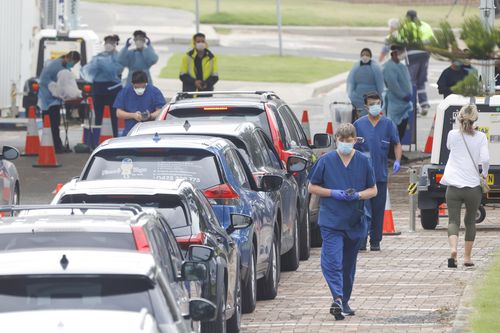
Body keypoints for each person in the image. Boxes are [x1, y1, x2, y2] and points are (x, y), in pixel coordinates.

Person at [308, 123, 377, 320]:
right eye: (341, 140)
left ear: (355, 141)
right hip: (331, 221)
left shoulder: (363, 162)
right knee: (332, 260)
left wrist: (358, 195)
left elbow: (373, 190)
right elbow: (312, 187)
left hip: (354, 221)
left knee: (348, 264)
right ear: (336, 140)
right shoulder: (326, 161)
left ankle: (344, 301)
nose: (345, 144)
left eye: (349, 141)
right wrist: (333, 193)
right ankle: (337, 298)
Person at [440, 105, 489, 268]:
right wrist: (484, 174)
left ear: (459, 117)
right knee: (470, 222)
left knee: (453, 220)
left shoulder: (452, 134)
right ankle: (467, 257)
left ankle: (453, 251)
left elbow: (448, 147)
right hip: (473, 186)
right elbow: (486, 160)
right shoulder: (481, 137)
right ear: (475, 119)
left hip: (453, 185)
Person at [353, 91, 402, 251]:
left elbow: (396, 143)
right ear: (366, 106)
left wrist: (397, 160)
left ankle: (375, 241)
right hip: (362, 177)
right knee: (362, 210)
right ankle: (361, 241)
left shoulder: (388, 124)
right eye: (372, 104)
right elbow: (350, 147)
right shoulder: (358, 125)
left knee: (378, 209)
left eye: (377, 103)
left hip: (380, 175)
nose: (375, 107)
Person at [38, 51, 81, 153]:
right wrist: (69, 94)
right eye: (73, 63)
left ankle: (55, 145)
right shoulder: (59, 67)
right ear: (68, 58)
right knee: (53, 124)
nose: (72, 65)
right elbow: (62, 86)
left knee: (53, 124)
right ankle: (55, 147)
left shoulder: (60, 64)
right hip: (49, 99)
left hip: (50, 98)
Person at [81, 35, 123, 137]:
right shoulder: (98, 57)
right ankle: (98, 136)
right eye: (107, 42)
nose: (108, 44)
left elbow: (117, 69)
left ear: (115, 44)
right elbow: (89, 71)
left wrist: (103, 65)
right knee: (99, 115)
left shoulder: (119, 57)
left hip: (113, 89)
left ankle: (114, 136)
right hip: (99, 88)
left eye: (111, 42)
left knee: (113, 115)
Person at [402, 10, 434, 116]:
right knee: (421, 82)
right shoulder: (425, 26)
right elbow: (432, 40)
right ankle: (424, 105)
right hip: (424, 56)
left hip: (412, 57)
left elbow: (400, 41)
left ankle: (413, 107)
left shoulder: (406, 27)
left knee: (411, 82)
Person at [114, 70, 166, 136]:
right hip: (130, 131)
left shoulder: (154, 91)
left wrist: (150, 116)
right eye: (137, 87)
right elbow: (118, 113)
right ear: (132, 83)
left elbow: (161, 111)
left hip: (150, 131)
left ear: (146, 83)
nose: (140, 89)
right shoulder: (125, 92)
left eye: (143, 87)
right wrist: (133, 115)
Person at [382, 44, 413, 144]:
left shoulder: (401, 66)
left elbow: (407, 81)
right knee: (395, 130)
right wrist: (403, 95)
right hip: (395, 103)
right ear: (394, 53)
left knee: (402, 130)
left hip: (404, 104)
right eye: (401, 53)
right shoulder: (388, 67)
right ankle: (392, 152)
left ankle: (397, 152)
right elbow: (392, 85)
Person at [346, 48, 385, 118]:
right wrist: (350, 96)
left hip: (372, 98)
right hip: (357, 98)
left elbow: (380, 84)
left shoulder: (376, 68)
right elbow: (351, 82)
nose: (365, 56)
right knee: (358, 117)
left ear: (370, 56)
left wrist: (381, 97)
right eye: (363, 54)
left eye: (367, 55)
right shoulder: (356, 67)